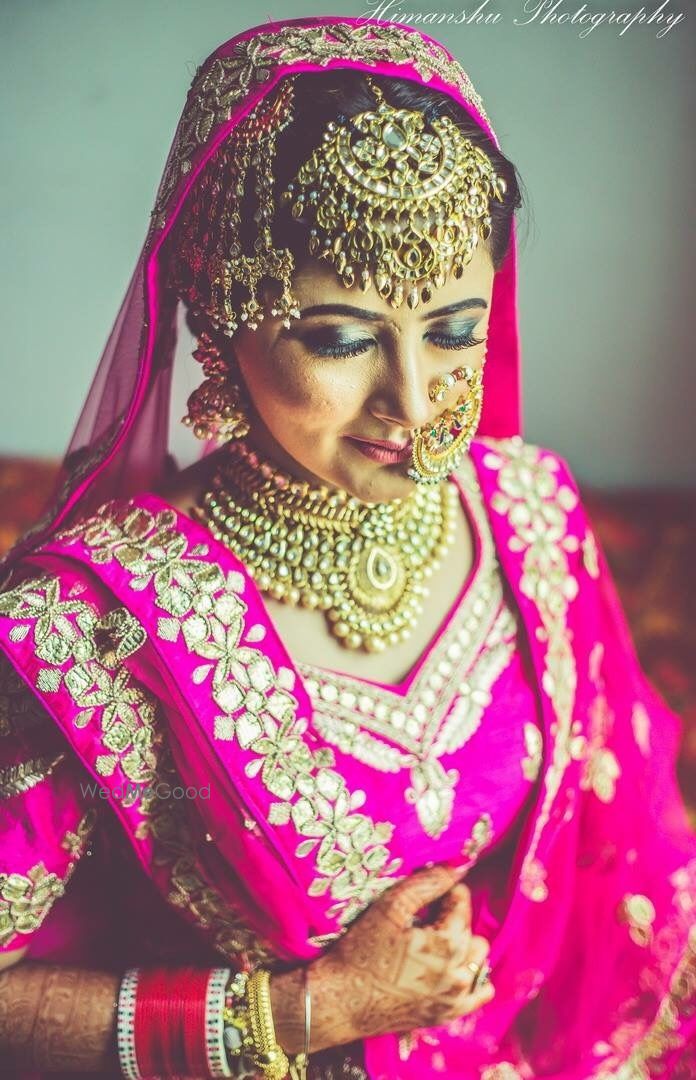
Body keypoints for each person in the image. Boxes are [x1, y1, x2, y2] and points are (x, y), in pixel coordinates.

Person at [0, 14, 694, 1079]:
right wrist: (306, 1010)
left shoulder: (532, 513)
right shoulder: (87, 628)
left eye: (456, 329)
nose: (414, 402)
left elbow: (629, 838)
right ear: (217, 309)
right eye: (339, 338)